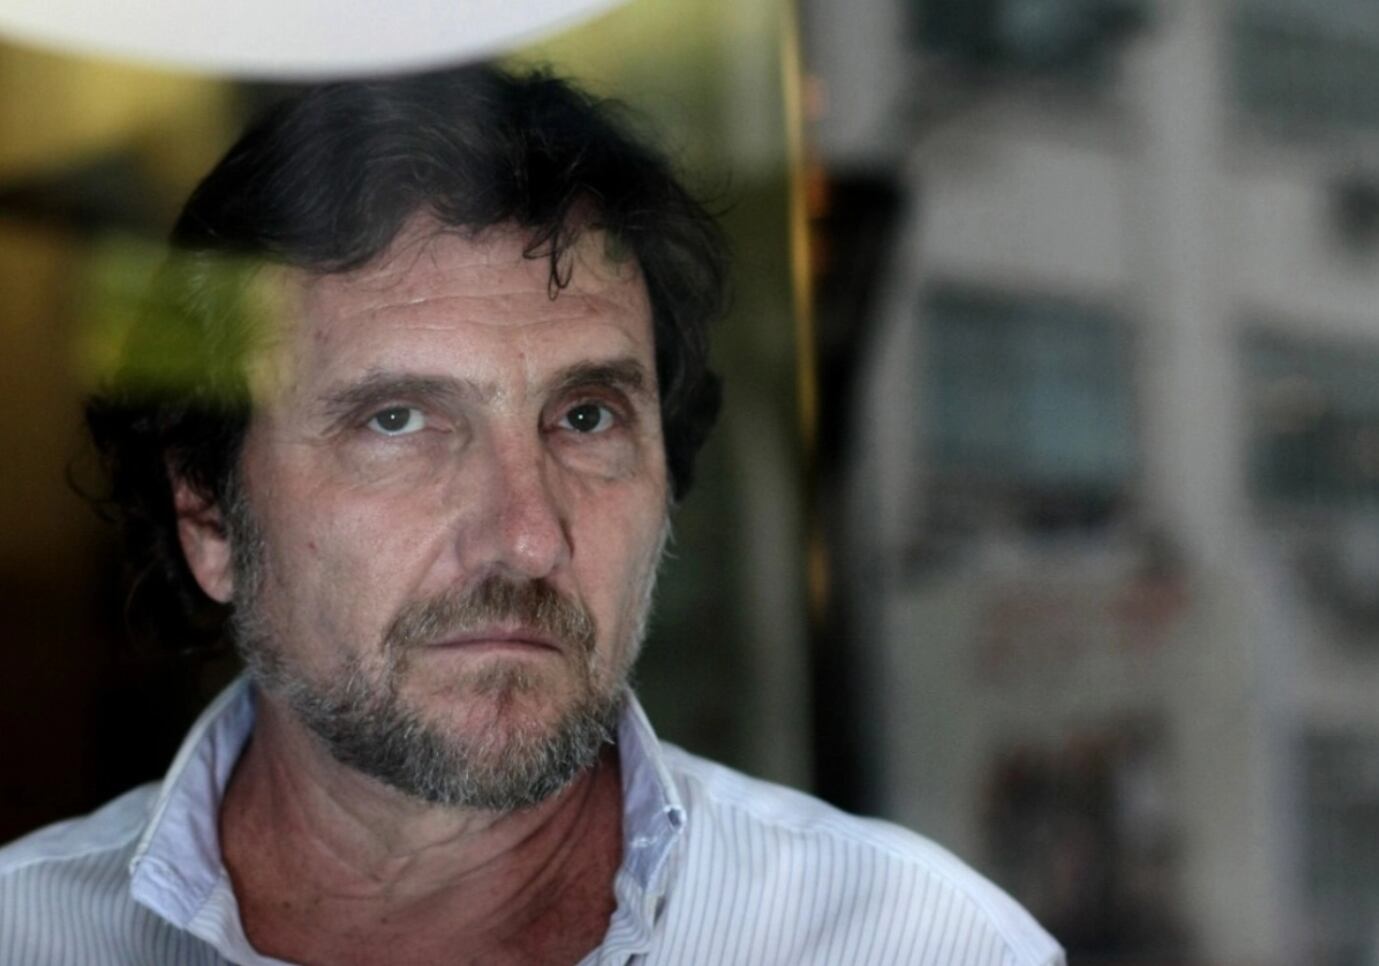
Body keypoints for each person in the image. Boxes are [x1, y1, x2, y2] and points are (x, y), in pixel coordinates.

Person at [0, 65, 1063, 965]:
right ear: (208, 516)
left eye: (585, 417)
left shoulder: (913, 944)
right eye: (398, 420)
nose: (526, 536)